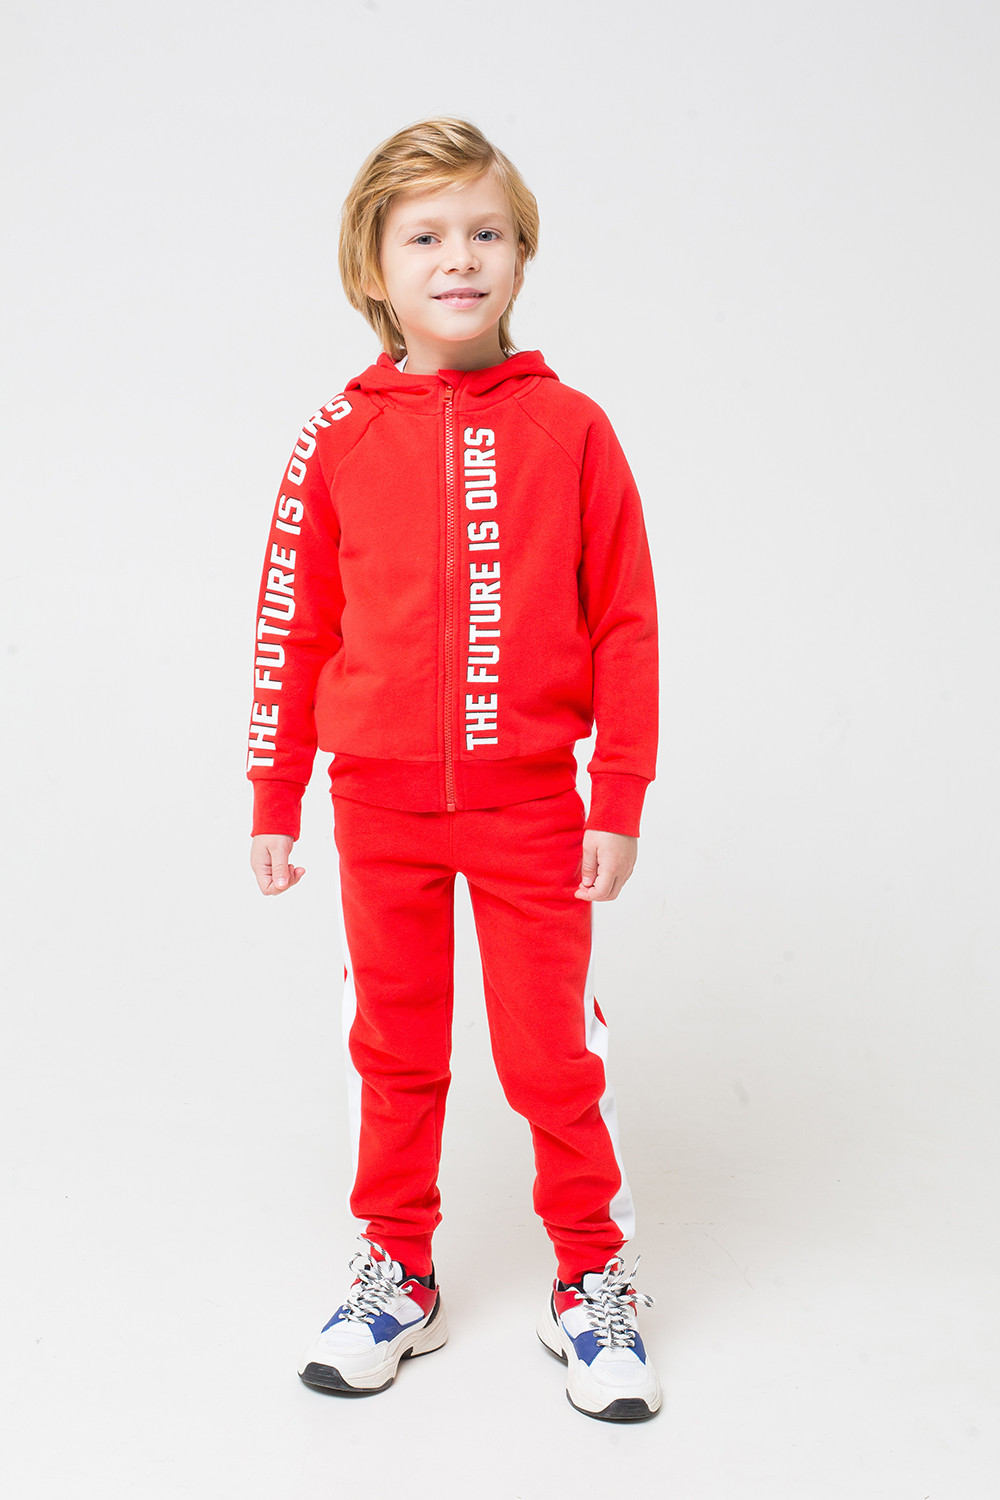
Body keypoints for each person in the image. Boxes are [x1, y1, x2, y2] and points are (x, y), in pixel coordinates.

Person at [246, 117, 660, 1422]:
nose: (459, 259)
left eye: (485, 233)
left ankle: (590, 1278)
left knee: (551, 1058)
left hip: (532, 806)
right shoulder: (335, 438)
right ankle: (398, 1273)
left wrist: (616, 796)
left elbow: (625, 622)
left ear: (523, 256)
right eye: (424, 237)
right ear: (374, 269)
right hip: (377, 809)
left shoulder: (572, 430)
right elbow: (293, 623)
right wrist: (274, 793)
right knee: (395, 1047)